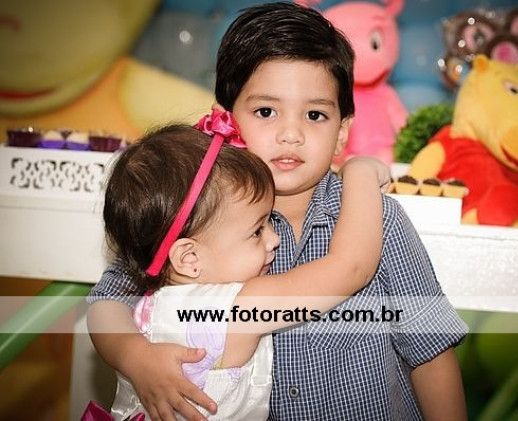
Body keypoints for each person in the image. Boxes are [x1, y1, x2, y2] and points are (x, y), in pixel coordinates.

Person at [87, 2, 469, 420]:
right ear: (226, 119)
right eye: (266, 111)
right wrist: (135, 356)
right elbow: (108, 300)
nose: (291, 133)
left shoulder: (378, 217)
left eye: (315, 114)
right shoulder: (193, 208)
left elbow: (430, 348)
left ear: (342, 131)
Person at [94, 120, 387, 420]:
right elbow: (351, 267)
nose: (274, 239)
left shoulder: (144, 307)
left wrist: (135, 354)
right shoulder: (236, 308)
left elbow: (100, 307)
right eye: (257, 231)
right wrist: (360, 174)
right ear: (190, 258)